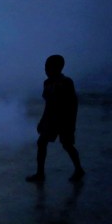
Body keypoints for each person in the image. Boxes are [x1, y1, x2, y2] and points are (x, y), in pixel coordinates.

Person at [26, 54, 84, 183]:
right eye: (45, 67)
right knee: (41, 143)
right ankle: (40, 173)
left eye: (48, 67)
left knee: (67, 145)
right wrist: (43, 120)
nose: (46, 70)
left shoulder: (67, 83)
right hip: (51, 120)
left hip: (65, 120)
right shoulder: (47, 83)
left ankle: (79, 169)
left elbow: (73, 104)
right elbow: (48, 104)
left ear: (58, 68)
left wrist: (71, 123)